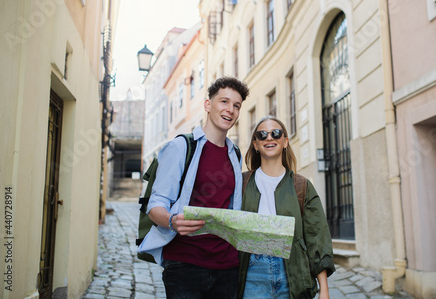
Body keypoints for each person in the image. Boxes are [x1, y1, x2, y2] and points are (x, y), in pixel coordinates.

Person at [137, 76, 249, 299]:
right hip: (184, 263)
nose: (231, 110)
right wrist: (171, 221)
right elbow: (155, 204)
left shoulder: (235, 154)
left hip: (227, 265)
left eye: (236, 105)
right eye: (224, 102)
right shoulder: (180, 147)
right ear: (208, 105)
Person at [238, 115, 335, 299]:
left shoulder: (301, 186)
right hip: (252, 276)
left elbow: (317, 237)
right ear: (256, 144)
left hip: (293, 275)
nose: (269, 137)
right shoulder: (241, 183)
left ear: (285, 142)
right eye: (262, 134)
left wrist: (325, 290)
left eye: (276, 133)